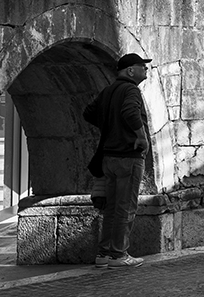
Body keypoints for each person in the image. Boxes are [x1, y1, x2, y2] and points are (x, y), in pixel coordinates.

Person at [82, 53, 152, 269]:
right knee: (126, 207)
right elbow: (130, 112)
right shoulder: (131, 89)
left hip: (109, 158)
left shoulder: (108, 91)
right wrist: (141, 137)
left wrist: (110, 127)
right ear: (131, 70)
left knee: (111, 208)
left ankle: (104, 253)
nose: (146, 70)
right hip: (127, 157)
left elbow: (88, 113)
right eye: (143, 66)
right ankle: (118, 254)